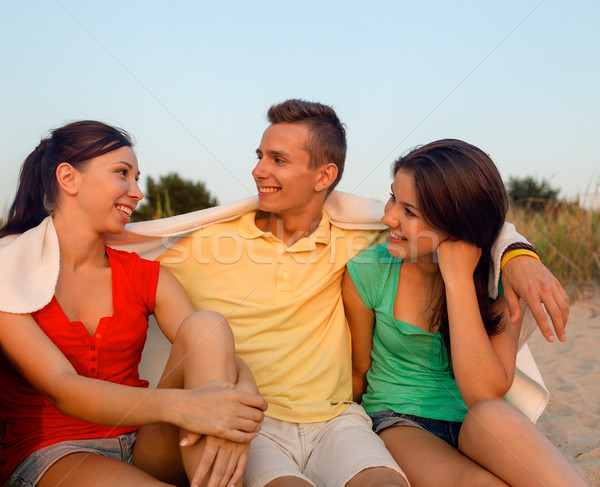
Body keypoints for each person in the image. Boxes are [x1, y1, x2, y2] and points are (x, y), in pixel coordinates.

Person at [144, 100, 569, 487]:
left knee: (489, 421)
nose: (257, 170)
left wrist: (515, 253)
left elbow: (478, 221)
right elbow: (123, 254)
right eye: (260, 157)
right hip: (344, 422)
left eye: (277, 159)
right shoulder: (208, 245)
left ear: (325, 176)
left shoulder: (362, 242)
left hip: (376, 421)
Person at [0, 121, 267, 487]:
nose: (137, 192)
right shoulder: (8, 272)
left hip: (144, 443)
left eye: (136, 177)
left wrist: (243, 392)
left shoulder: (144, 275)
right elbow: (61, 387)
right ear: (69, 178)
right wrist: (186, 407)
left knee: (207, 324)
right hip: (55, 451)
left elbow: (210, 347)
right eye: (122, 174)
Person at [342, 139, 588, 486]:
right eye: (393, 197)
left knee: (496, 421)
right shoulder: (369, 270)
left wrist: (456, 279)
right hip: (399, 421)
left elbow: (484, 394)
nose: (389, 217)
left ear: (456, 225)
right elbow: (358, 371)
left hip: (478, 420)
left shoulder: (498, 279)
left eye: (410, 212)